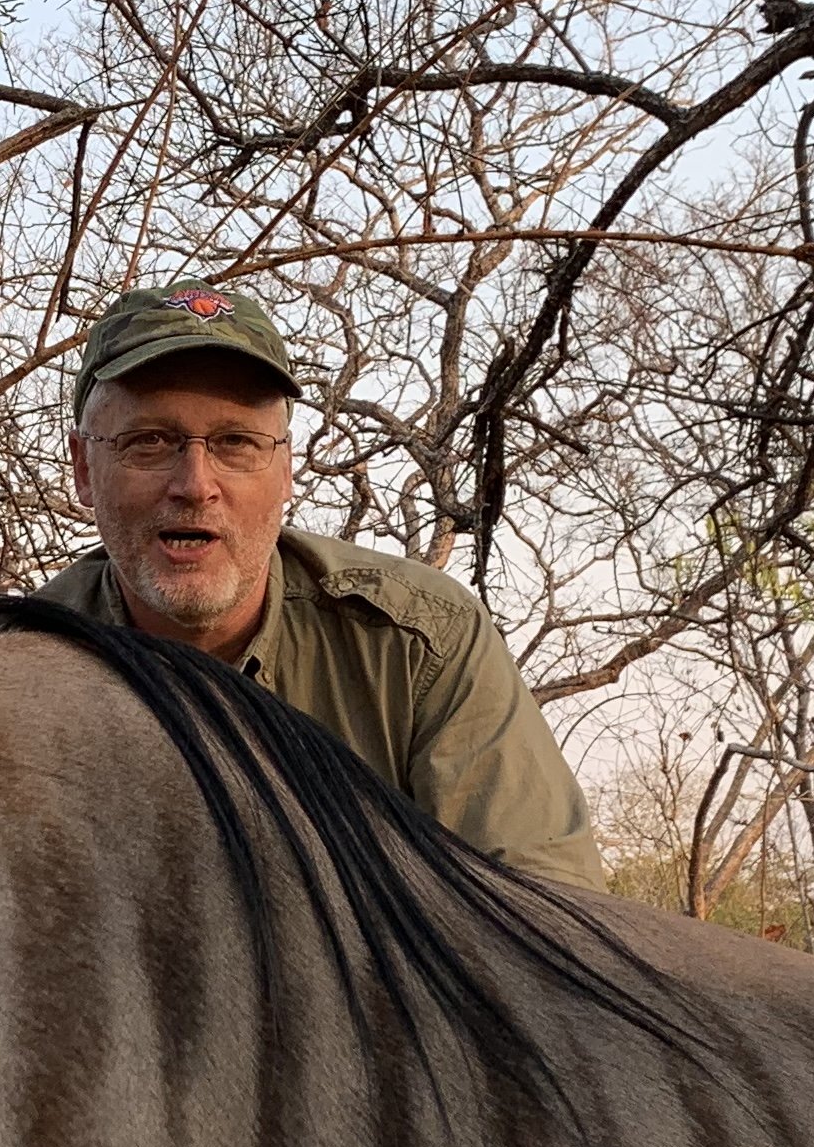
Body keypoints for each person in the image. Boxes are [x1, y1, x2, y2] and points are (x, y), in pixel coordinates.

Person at [37, 280, 601, 890]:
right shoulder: (13, 671)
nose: (195, 484)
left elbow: (547, 918)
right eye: (149, 442)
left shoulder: (420, 643)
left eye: (236, 443)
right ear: (84, 471)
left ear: (285, 472)